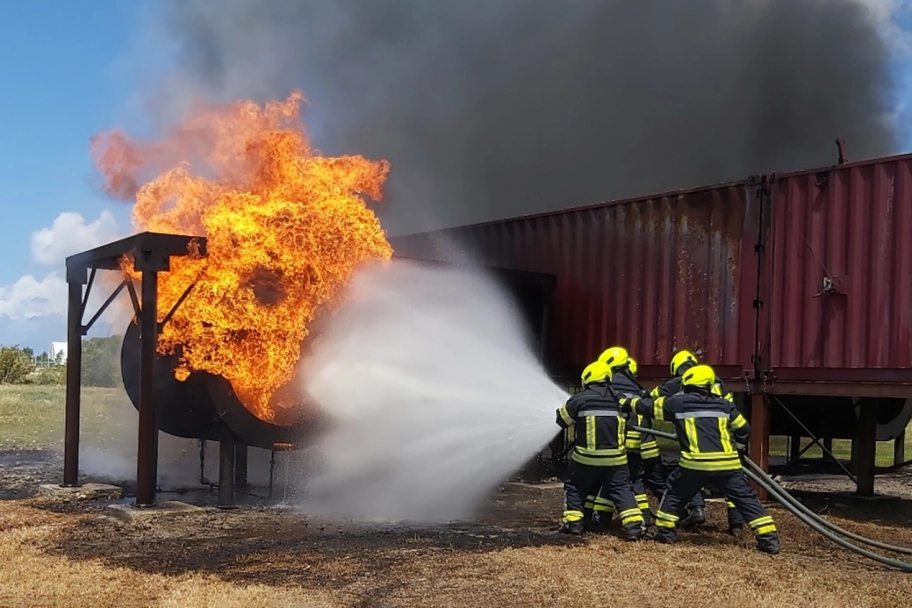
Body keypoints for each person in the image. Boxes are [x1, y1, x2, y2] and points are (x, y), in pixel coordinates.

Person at [620, 364, 780, 554]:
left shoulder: (677, 404)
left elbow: (646, 407)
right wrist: (737, 447)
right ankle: (769, 540)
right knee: (746, 499)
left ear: (687, 383)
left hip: (694, 464)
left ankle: (665, 533)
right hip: (727, 465)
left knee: (674, 493)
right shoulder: (725, 405)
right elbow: (744, 429)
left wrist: (625, 402)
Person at [651, 349, 746, 535]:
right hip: (726, 441)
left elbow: (654, 395)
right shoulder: (716, 382)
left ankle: (695, 510)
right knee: (733, 485)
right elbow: (733, 415)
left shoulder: (683, 381)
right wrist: (739, 445)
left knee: (689, 474)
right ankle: (736, 526)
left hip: (698, 437)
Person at [555, 360, 646, 540]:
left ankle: (574, 524)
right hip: (616, 460)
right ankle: (634, 526)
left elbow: (562, 421)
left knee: (574, 486)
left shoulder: (579, 399)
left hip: (586, 459)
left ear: (587, 379)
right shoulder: (620, 400)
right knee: (621, 490)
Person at [592, 348, 664, 526]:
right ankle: (644, 516)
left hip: (616, 443)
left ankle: (602, 518)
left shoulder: (612, 384)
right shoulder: (633, 386)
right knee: (635, 481)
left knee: (610, 479)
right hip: (635, 445)